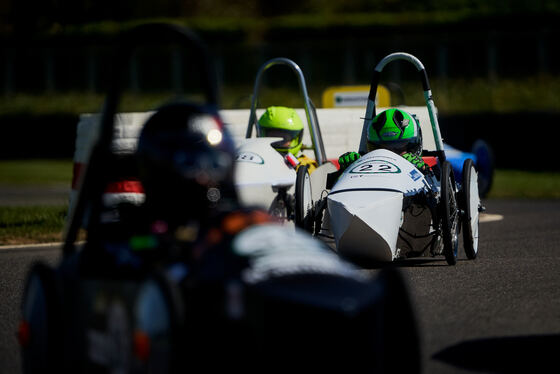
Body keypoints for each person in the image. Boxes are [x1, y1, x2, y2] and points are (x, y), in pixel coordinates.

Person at [130, 102, 420, 371]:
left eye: (208, 169)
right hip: (332, 294)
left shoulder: (229, 224)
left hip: (284, 288)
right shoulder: (166, 238)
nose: (203, 177)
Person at [338, 108, 429, 173]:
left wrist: (424, 170)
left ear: (413, 146)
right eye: (384, 149)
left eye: (399, 147)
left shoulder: (429, 171)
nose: (391, 154)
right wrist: (346, 170)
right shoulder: (361, 168)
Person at [257, 106, 318, 172]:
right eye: (273, 137)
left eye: (283, 138)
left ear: (294, 139)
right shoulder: (257, 160)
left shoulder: (306, 165)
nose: (278, 142)